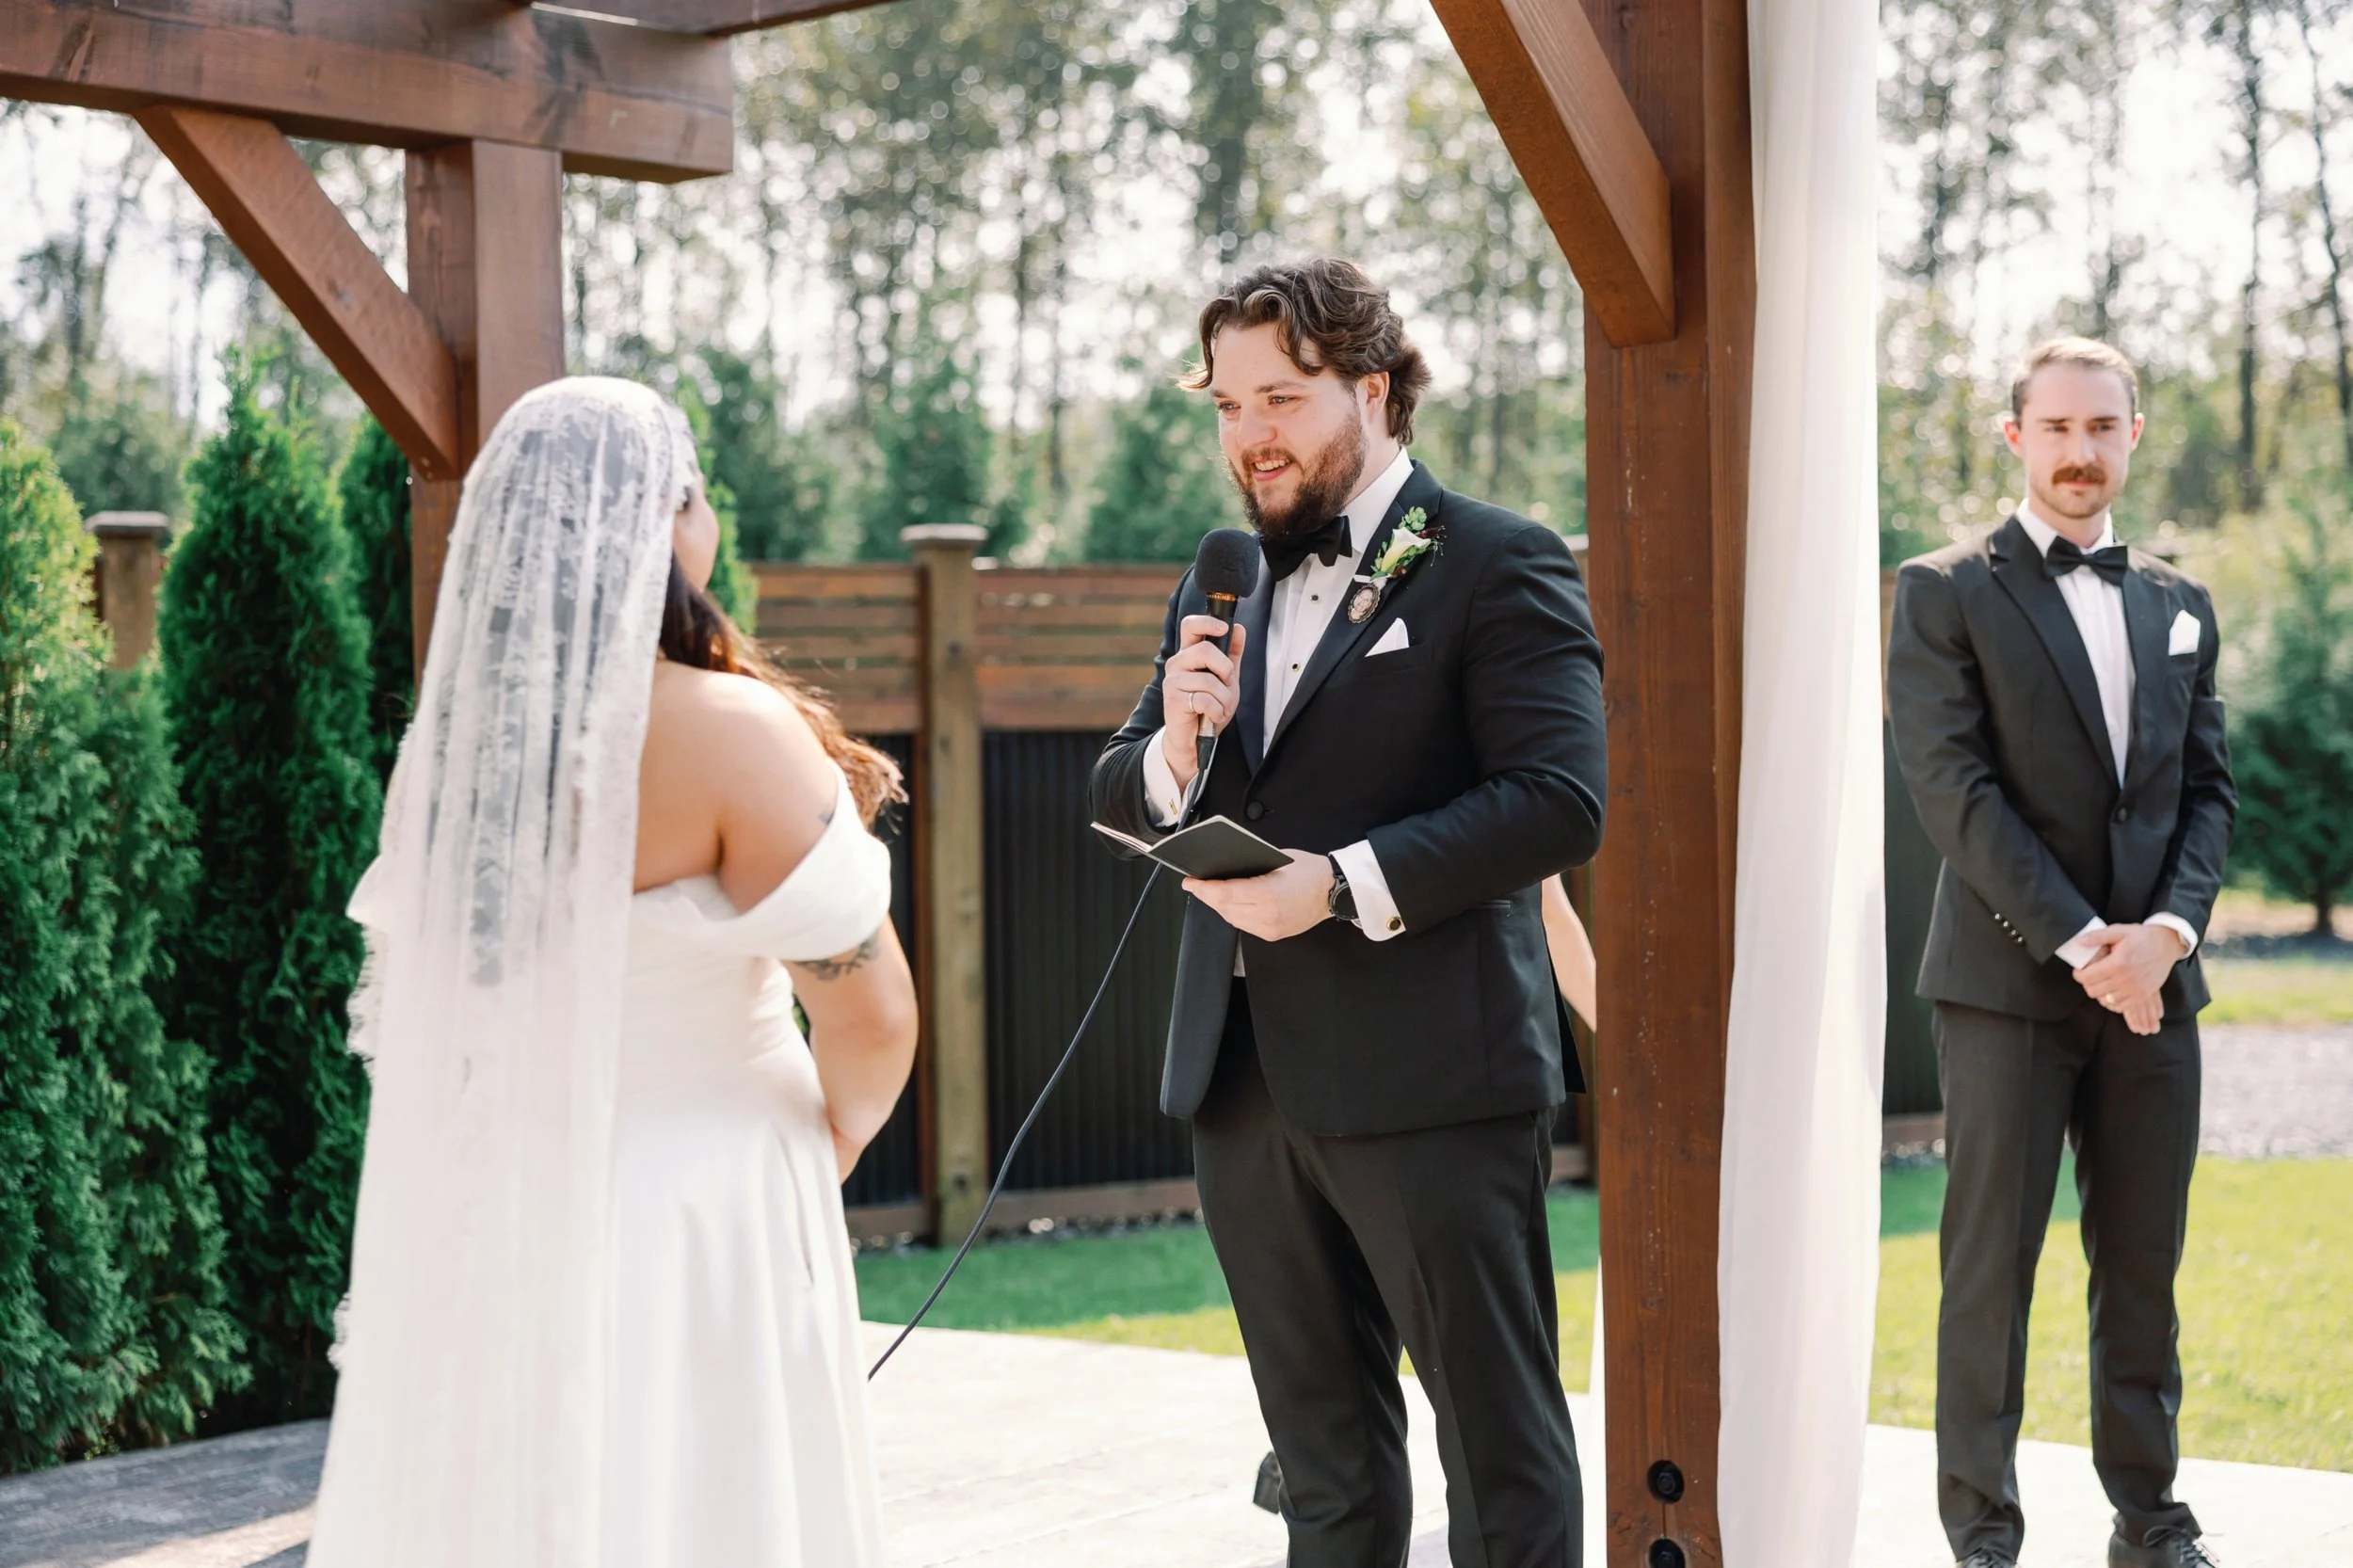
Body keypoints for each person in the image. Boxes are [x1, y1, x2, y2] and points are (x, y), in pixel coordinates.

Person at [306, 378, 918, 1568]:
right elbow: (874, 1012)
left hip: (507, 1188)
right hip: (707, 1197)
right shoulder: (731, 730)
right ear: (671, 518)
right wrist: (821, 1148)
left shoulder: (457, 758)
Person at [1091, 258, 1607, 1565]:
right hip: (1240, 1087)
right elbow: (1124, 777)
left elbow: (1556, 801)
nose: (1248, 433)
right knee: (1321, 1476)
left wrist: (1335, 882)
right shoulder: (1226, 575)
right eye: (1224, 405)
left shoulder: (1497, 559)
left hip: (1435, 1077)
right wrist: (1177, 743)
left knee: (1499, 1462)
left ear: (1371, 387)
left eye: (1281, 396)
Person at [1887, 339, 2235, 1568]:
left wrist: (2166, 935)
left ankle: (2151, 1521)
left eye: (2103, 426)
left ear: (2134, 433)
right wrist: (2092, 943)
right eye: (2058, 427)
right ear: (2015, 438)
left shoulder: (2182, 604)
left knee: (2143, 1267)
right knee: (1990, 1270)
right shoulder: (1941, 590)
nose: (2081, 451)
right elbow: (1954, 790)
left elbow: (2206, 797)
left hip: (2159, 990)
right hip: (2003, 987)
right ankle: (1982, 1530)